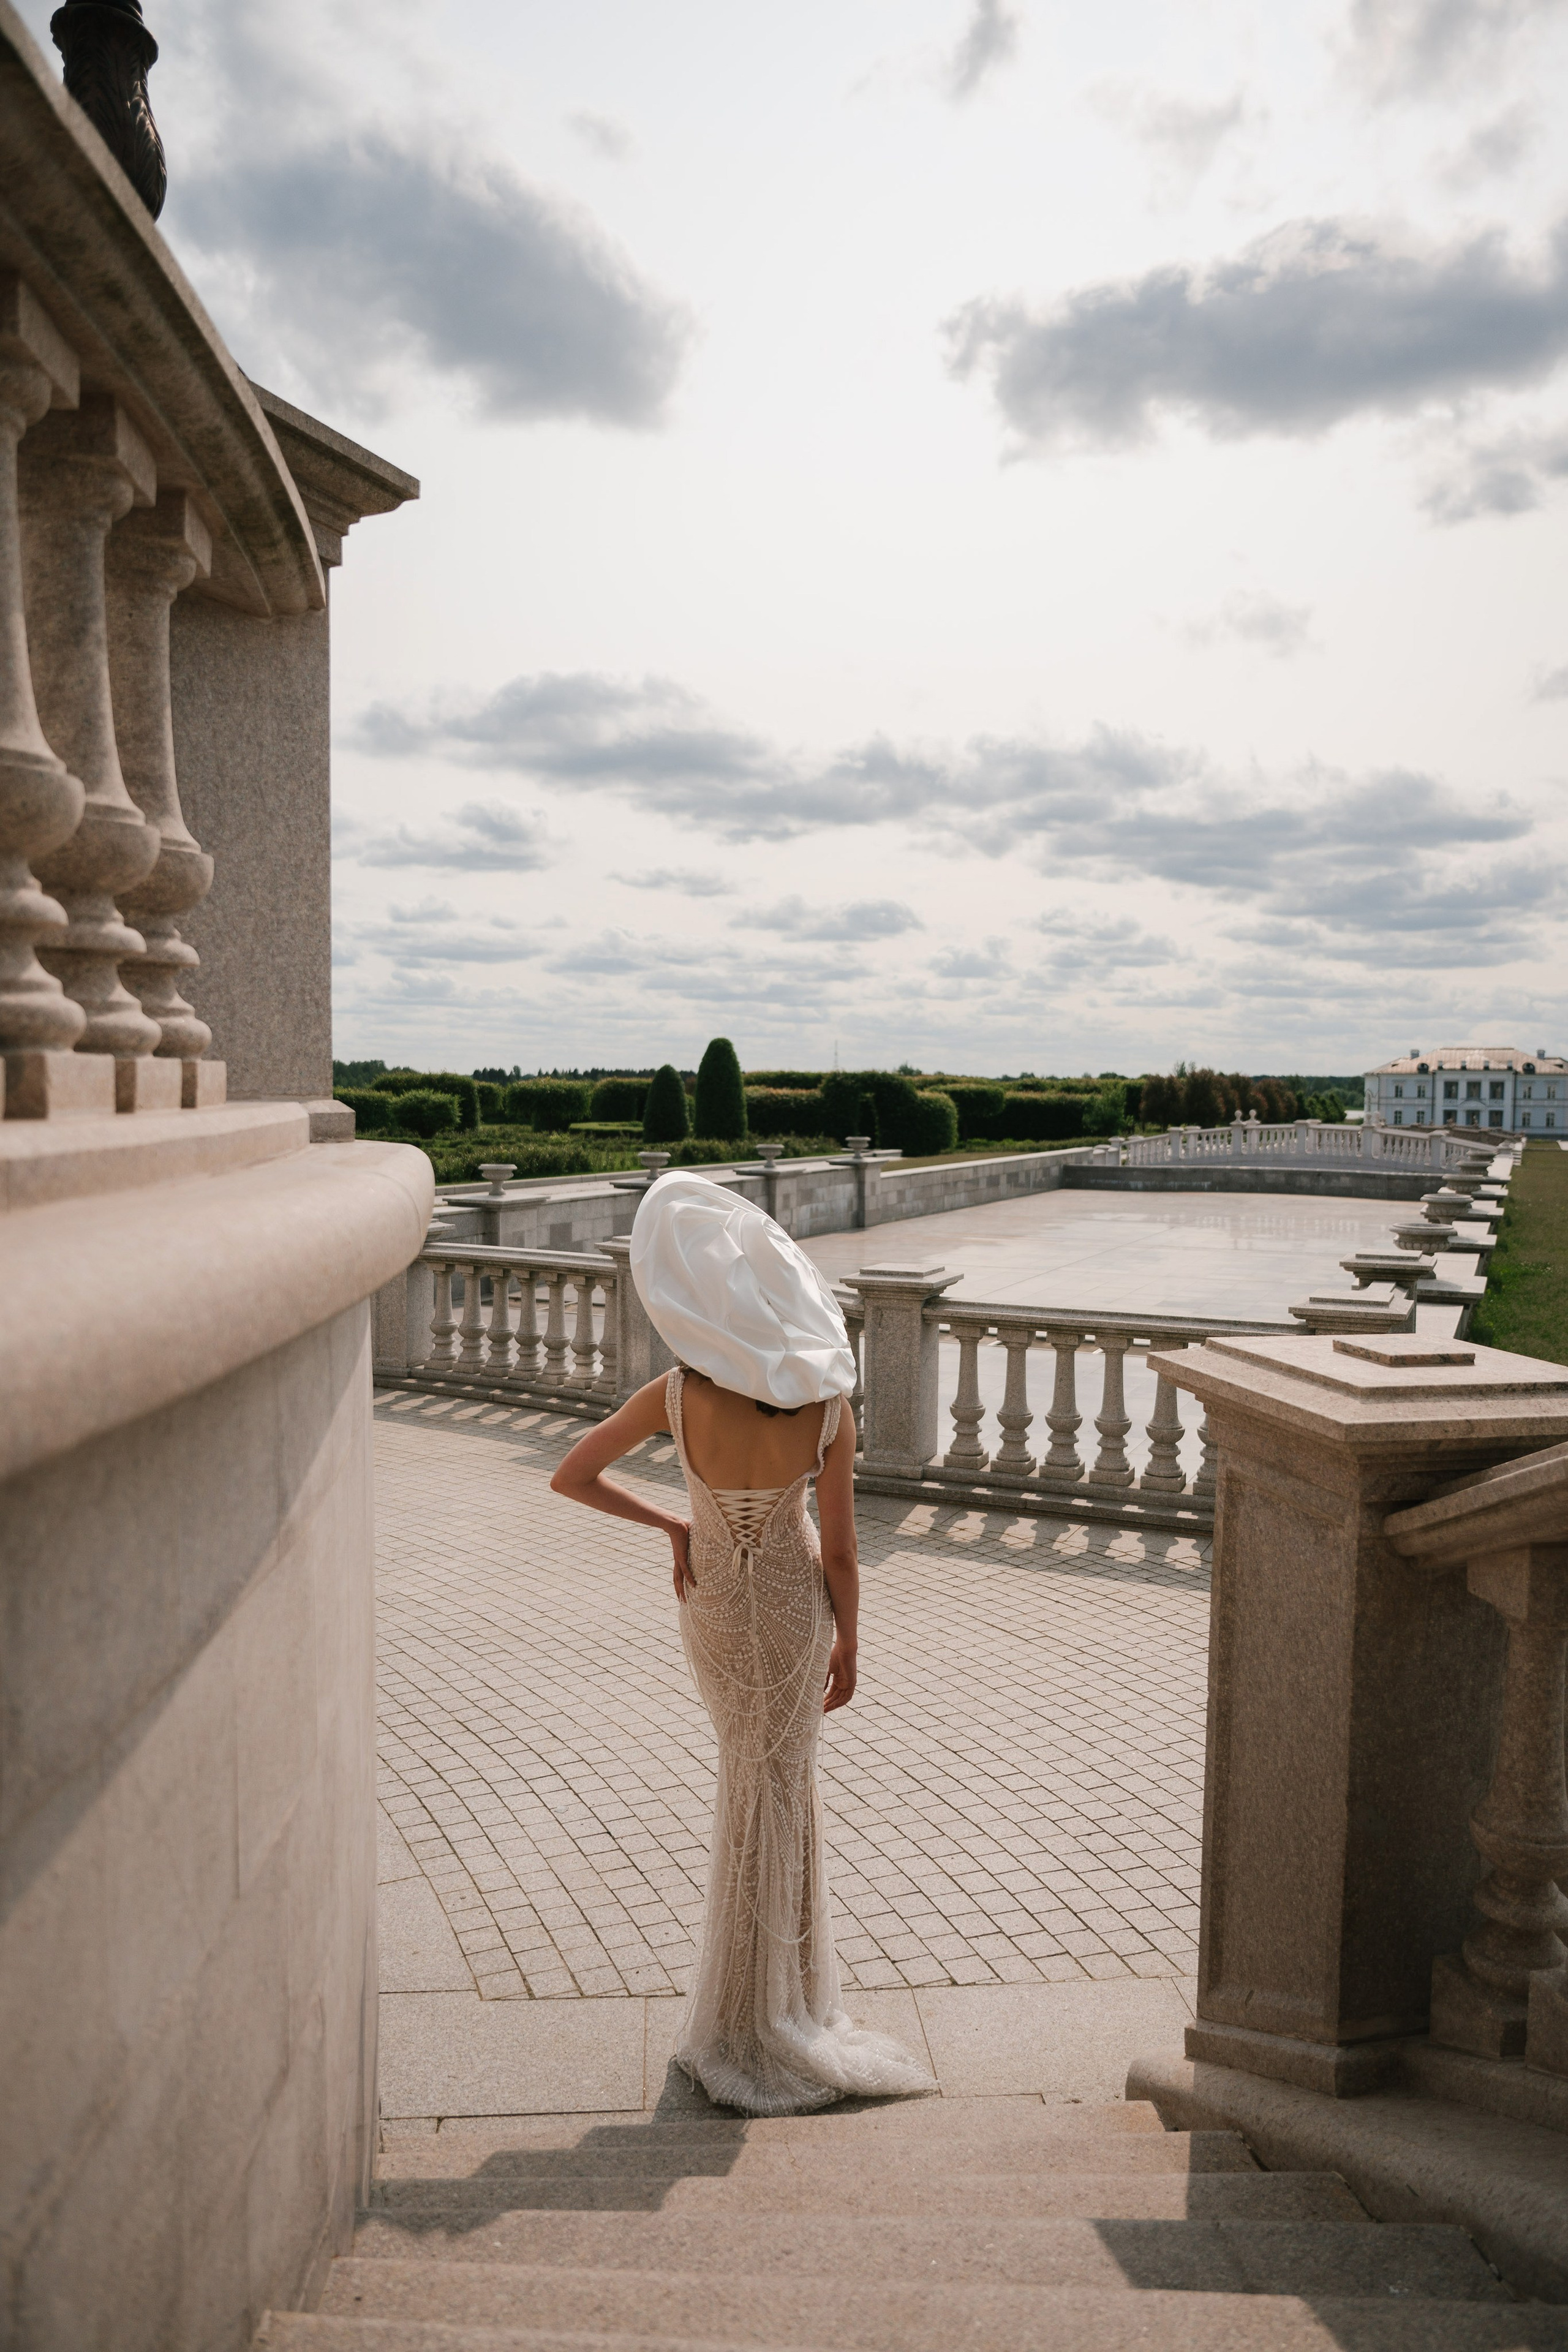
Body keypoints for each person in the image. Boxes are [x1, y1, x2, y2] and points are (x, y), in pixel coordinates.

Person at [551, 1170, 935, 2116]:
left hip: (717, 1602)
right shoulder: (828, 1408)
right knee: (785, 1784)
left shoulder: (677, 1395)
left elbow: (573, 1475)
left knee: (745, 1779)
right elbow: (840, 1551)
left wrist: (674, 1526)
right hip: (797, 1609)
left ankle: (738, 2014)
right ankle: (780, 2008)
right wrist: (851, 1642)